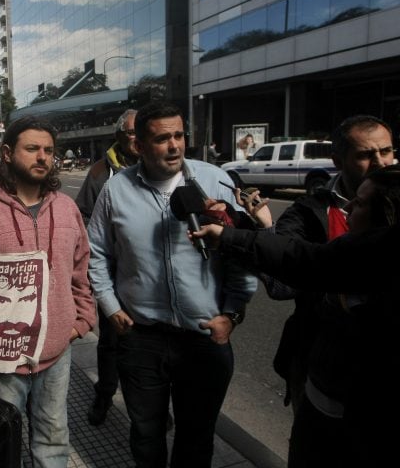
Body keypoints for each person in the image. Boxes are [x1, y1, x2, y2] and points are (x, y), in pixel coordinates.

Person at [191, 164, 400, 468]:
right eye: (365, 153)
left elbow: (304, 260)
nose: (350, 207)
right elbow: (290, 270)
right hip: (317, 403)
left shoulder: (380, 258)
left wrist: (231, 235)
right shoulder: (310, 211)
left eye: (363, 203)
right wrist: (241, 230)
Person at [87, 102, 257, 468]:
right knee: (146, 436)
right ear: (140, 146)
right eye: (162, 138)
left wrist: (232, 314)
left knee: (196, 439)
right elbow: (96, 252)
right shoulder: (115, 190)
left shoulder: (215, 181)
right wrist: (110, 306)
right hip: (141, 339)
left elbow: (244, 252)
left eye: (179, 136)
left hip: (205, 338)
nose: (174, 146)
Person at [0, 115, 96, 467]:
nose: (42, 157)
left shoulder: (66, 208)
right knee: (1, 447)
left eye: (48, 150)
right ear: (6, 154)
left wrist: (82, 320)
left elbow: (81, 269)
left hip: (56, 356)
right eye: (32, 148)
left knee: (53, 440)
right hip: (0, 363)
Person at [261, 115, 394, 419]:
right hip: (319, 361)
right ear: (338, 160)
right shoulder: (309, 211)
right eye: (365, 155)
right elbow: (281, 285)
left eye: (386, 151)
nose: (380, 163)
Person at [75, 109, 139, 426]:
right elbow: (83, 217)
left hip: (147, 276)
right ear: (119, 136)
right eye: (131, 133)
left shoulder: (159, 168)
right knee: (111, 341)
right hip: (111, 274)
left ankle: (146, 403)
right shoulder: (101, 172)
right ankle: (104, 396)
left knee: (147, 345)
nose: (138, 138)